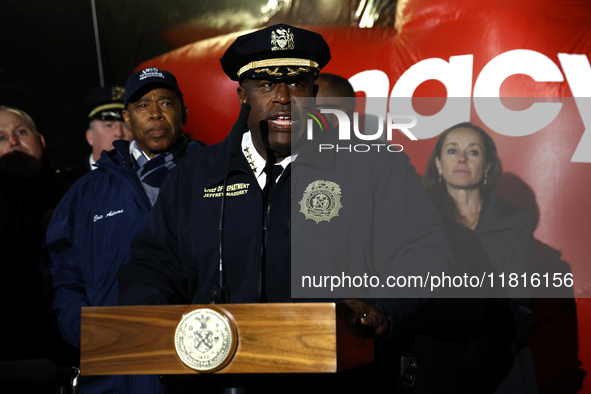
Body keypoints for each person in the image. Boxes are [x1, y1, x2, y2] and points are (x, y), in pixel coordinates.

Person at [118, 24, 453, 393]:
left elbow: (425, 254)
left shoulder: (374, 166)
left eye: (296, 83)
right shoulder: (193, 177)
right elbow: (152, 264)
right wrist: (154, 321)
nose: (283, 97)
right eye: (265, 84)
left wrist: (382, 306)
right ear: (241, 95)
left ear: (314, 91)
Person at [42, 68, 205, 394]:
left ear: (184, 112)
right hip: (113, 374)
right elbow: (64, 277)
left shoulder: (219, 177)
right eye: (142, 105)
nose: (155, 113)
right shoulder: (85, 192)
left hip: (201, 366)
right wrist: (87, 333)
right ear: (127, 119)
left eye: (166, 103)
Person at [400, 122, 538, 393]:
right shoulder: (414, 219)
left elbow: (519, 308)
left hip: (499, 369)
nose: (462, 158)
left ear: (488, 166)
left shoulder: (516, 224)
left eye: (473, 152)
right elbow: (410, 302)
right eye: (452, 150)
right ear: (438, 164)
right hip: (431, 366)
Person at [0, 106, 77, 392]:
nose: (13, 141)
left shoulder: (76, 196)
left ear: (41, 141)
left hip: (64, 351)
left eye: (21, 132)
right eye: (1, 137)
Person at [66, 85, 134, 181]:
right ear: (90, 136)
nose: (119, 133)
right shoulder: (68, 182)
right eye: (108, 125)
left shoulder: (150, 179)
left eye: (126, 126)